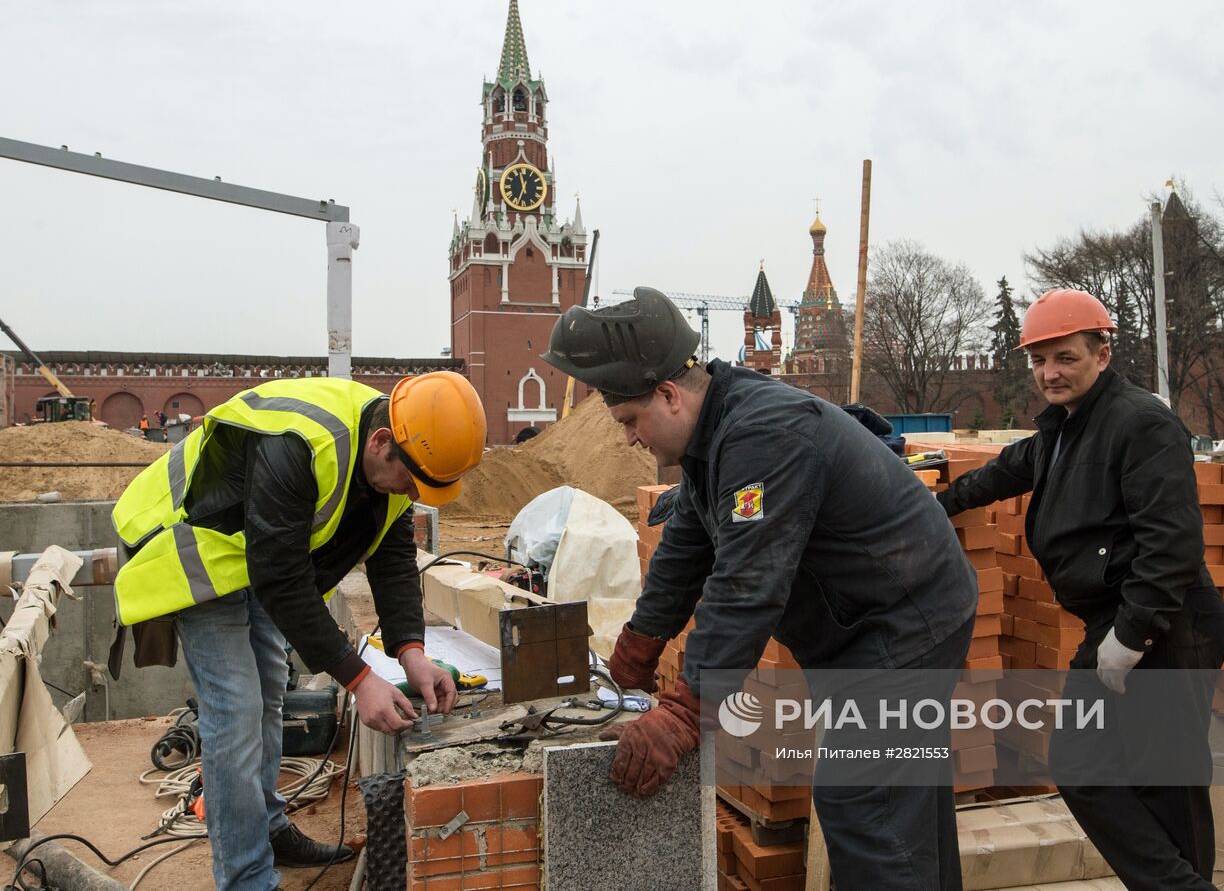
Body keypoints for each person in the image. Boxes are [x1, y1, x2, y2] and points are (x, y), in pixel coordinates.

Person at [542, 287, 978, 890]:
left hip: (904, 625)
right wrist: (636, 652)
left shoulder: (765, 435)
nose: (628, 440)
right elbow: (686, 552)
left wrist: (685, 713)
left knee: (865, 802)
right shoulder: (714, 434)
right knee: (906, 806)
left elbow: (747, 583)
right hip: (872, 618)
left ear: (668, 395)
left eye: (630, 421)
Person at [110, 372, 487, 890]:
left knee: (269, 694)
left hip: (257, 554)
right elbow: (282, 578)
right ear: (381, 443)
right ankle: (245, 878)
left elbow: (394, 557)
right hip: (194, 546)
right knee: (237, 710)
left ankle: (267, 827)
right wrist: (359, 680)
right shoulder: (300, 445)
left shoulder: (401, 448)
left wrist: (411, 652)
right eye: (411, 482)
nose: (411, 494)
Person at [935, 289, 1224, 891]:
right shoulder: (1064, 429)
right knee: (1081, 763)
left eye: (1065, 357)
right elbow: (1002, 471)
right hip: (1116, 622)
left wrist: (1133, 635)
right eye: (1039, 360)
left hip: (1165, 625)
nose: (1050, 372)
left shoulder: (1141, 423)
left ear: (1101, 353)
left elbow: (1172, 543)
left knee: (1165, 783)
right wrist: (935, 505)